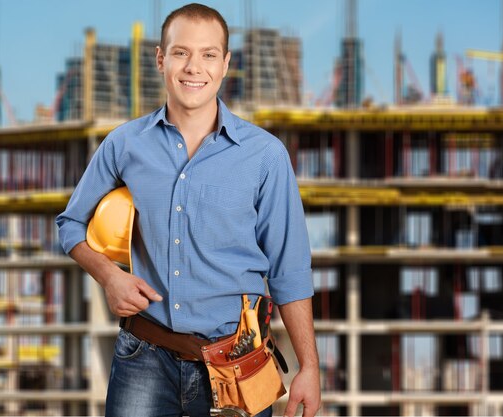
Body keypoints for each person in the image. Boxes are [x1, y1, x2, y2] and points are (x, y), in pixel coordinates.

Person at [56, 3, 321, 416]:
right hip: (142, 357)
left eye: (208, 54)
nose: (194, 67)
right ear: (161, 59)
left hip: (237, 364)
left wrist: (309, 366)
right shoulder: (124, 145)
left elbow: (289, 268)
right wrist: (109, 276)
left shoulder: (265, 155)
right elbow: (70, 223)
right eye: (181, 53)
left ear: (225, 64)